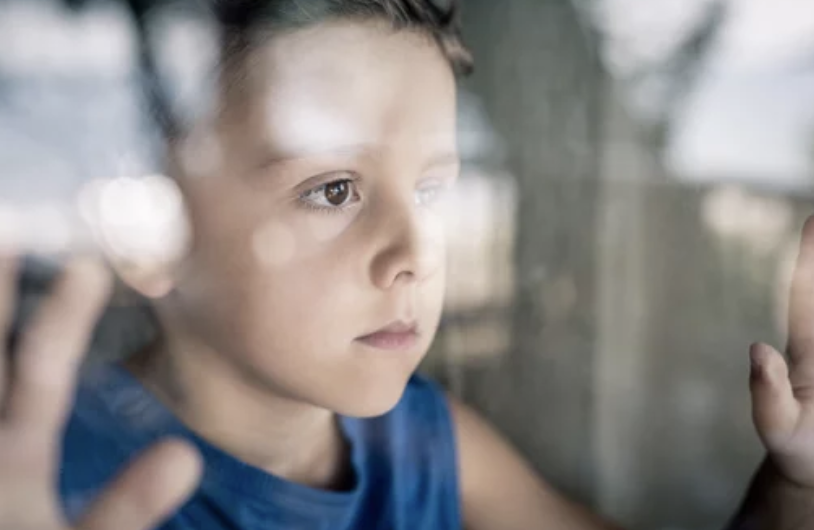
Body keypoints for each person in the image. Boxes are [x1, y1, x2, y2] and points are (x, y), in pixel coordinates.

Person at [0, 1, 813, 529]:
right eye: (334, 190)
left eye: (431, 190)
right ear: (158, 229)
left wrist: (794, 486)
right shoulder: (60, 489)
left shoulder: (419, 437)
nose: (416, 254)